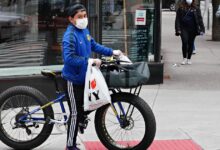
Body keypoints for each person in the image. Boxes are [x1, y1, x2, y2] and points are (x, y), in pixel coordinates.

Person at [61, 3, 122, 150]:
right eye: (79, 17)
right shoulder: (69, 36)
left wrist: (111, 52)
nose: (83, 19)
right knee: (75, 113)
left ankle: (80, 120)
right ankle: (70, 145)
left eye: (85, 16)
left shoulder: (84, 31)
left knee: (87, 105)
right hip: (73, 79)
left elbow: (93, 45)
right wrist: (89, 60)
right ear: (71, 19)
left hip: (85, 77)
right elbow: (68, 58)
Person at [175, 0, 205, 65]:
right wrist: (178, 29)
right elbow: (177, 19)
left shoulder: (196, 8)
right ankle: (184, 58)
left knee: (191, 43)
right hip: (183, 28)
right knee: (185, 42)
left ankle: (189, 58)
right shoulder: (181, 8)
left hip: (193, 29)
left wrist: (202, 29)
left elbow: (200, 19)